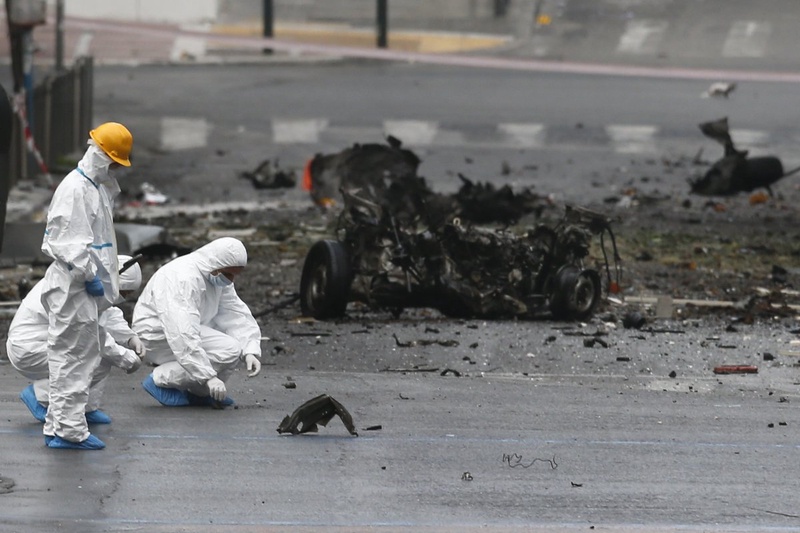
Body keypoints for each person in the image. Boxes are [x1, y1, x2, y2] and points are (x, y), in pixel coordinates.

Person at [39, 122, 133, 450]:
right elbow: (67, 242)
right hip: (74, 286)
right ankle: (69, 431)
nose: (113, 169)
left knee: (76, 356)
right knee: (74, 358)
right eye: (113, 161)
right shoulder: (76, 189)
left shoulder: (92, 187)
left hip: (78, 287)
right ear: (102, 155)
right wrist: (89, 275)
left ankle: (59, 425)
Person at [7, 256, 146, 424]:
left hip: (40, 342)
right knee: (92, 357)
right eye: (125, 293)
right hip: (29, 348)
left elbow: (107, 313)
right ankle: (41, 395)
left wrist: (130, 338)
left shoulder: (88, 282)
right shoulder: (76, 289)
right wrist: (126, 358)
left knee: (99, 359)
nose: (123, 297)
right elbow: (93, 335)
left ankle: (84, 409)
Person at [132, 237, 262, 407]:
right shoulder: (182, 278)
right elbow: (182, 332)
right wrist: (208, 377)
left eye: (235, 275)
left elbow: (234, 312)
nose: (231, 280)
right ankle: (159, 379)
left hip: (183, 329)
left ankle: (200, 393)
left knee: (234, 345)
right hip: (155, 334)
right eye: (229, 274)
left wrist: (250, 349)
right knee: (228, 348)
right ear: (216, 265)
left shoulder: (215, 273)